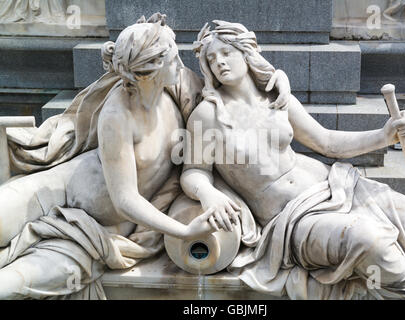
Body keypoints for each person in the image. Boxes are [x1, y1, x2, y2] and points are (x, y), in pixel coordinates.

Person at [0, 14, 290, 299]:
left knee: (9, 286)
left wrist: (274, 78)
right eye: (173, 58)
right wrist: (184, 230)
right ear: (150, 69)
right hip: (52, 190)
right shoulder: (118, 114)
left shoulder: (175, 87)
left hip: (96, 232)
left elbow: (236, 96)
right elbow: (125, 199)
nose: (181, 63)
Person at [180, 20, 405, 300]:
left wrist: (383, 136)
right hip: (294, 219)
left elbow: (327, 142)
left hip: (339, 186)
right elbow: (193, 172)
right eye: (211, 59)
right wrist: (208, 193)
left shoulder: (276, 98)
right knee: (370, 241)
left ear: (246, 53)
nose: (219, 63)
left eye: (226, 53)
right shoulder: (208, 115)